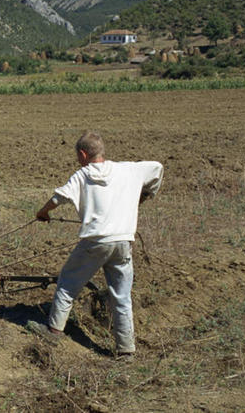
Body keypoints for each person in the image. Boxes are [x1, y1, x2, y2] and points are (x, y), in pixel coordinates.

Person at [29, 131, 163, 359]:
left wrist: (42, 213)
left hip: (95, 242)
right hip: (123, 242)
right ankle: (126, 350)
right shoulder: (129, 169)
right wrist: (145, 194)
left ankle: (53, 331)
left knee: (68, 283)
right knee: (121, 296)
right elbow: (158, 168)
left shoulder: (82, 175)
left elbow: (57, 199)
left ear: (83, 154)